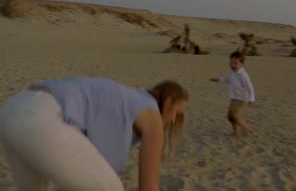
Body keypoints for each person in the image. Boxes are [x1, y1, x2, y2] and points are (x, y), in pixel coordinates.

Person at [0, 77, 188, 191]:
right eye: (176, 114)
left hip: (12, 109)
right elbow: (148, 187)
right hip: (43, 117)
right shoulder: (152, 115)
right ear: (168, 99)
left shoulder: (128, 101)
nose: (172, 121)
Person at [211, 51, 256, 136]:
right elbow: (228, 79)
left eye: (235, 63)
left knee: (234, 116)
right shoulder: (233, 73)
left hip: (241, 99)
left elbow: (250, 87)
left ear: (242, 63)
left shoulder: (243, 75)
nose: (232, 65)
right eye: (231, 62)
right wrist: (219, 79)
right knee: (230, 117)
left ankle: (248, 129)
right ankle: (236, 132)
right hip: (234, 97)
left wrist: (251, 99)